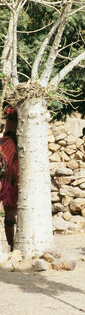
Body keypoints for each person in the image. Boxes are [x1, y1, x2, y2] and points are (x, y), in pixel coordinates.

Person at [0, 106, 18, 251]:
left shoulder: (8, 142)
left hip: (11, 182)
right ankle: (12, 245)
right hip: (10, 183)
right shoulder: (6, 143)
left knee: (10, 217)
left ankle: (12, 245)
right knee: (10, 217)